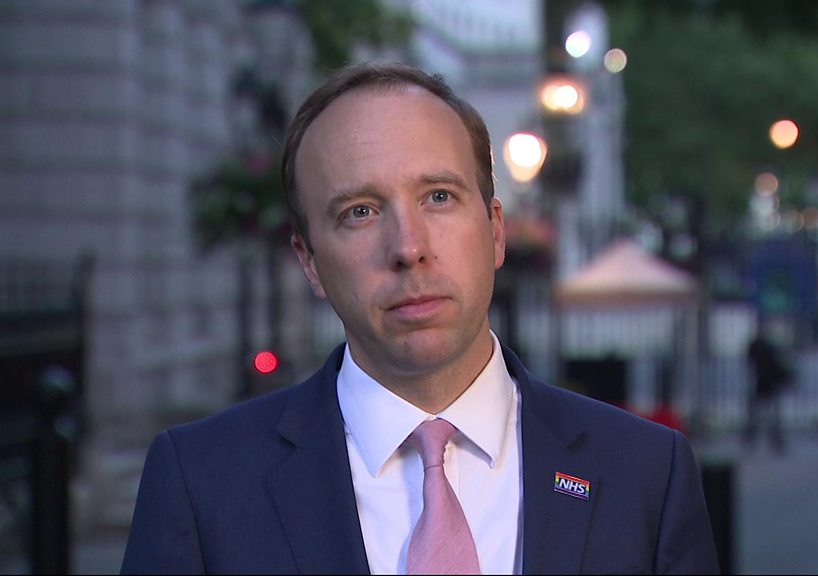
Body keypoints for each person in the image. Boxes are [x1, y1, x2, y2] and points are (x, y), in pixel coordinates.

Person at [121, 62, 719, 575]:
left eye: (438, 197)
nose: (408, 247)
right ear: (310, 262)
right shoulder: (202, 483)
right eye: (360, 211)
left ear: (495, 231)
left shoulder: (647, 474)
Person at [744, 325, 789, 454]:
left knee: (758, 414)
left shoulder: (758, 346)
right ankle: (774, 440)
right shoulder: (768, 347)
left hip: (763, 382)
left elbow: (750, 362)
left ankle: (754, 438)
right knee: (769, 415)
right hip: (767, 383)